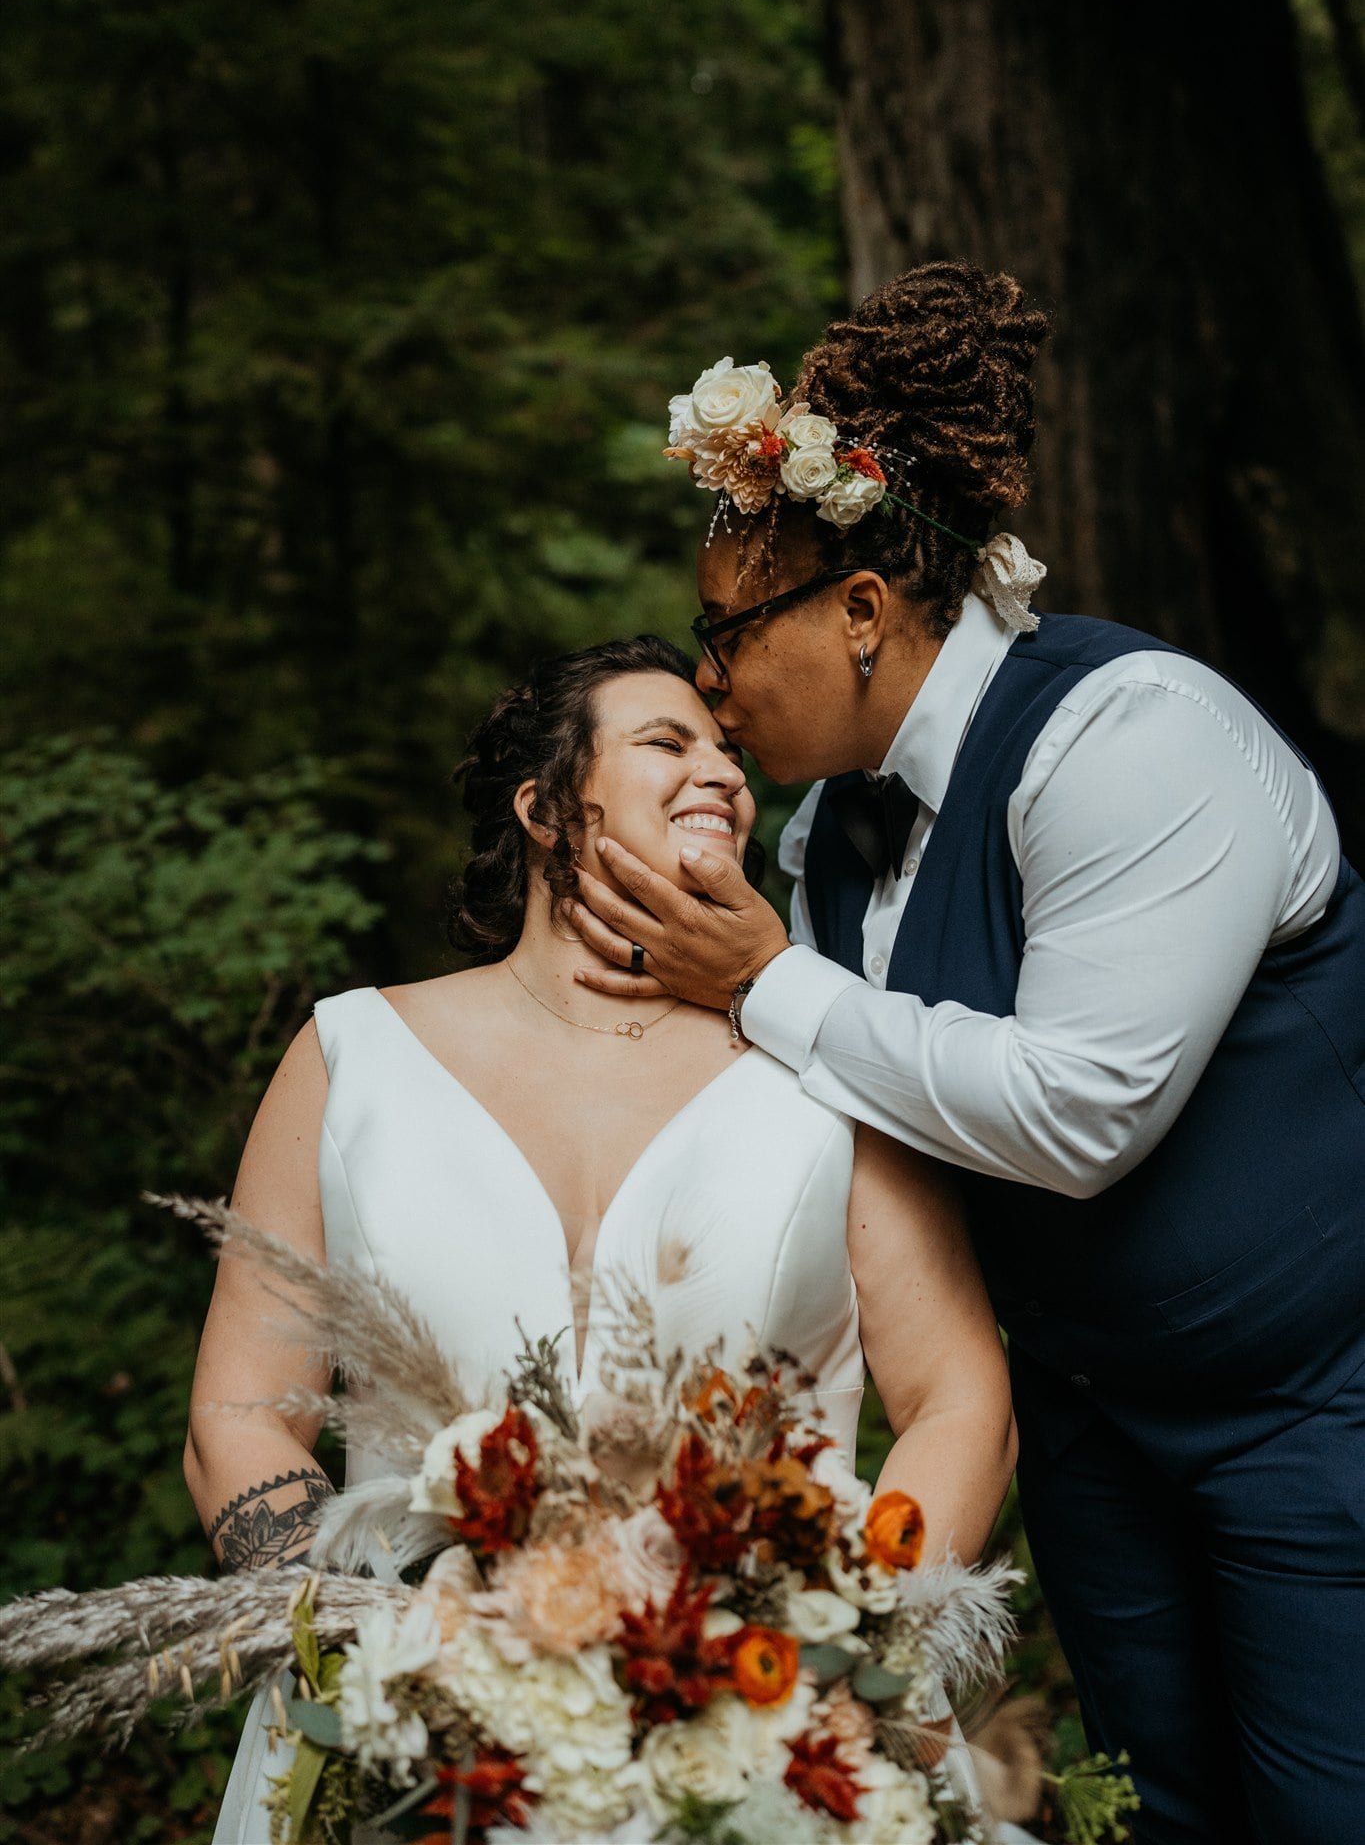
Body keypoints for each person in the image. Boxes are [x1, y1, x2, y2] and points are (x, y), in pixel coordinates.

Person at [569, 264, 1365, 1845]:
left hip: (1315, 1407)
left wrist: (766, 980)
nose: (710, 682)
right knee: (1169, 1802)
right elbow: (841, 1109)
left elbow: (1082, 1113)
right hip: (1088, 1423)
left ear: (864, 612)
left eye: (728, 636)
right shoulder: (830, 838)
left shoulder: (1131, 737)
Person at [185, 635, 1017, 1841]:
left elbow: (957, 1397)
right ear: (542, 808)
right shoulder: (348, 1058)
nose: (725, 773)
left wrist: (853, 1637)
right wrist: (377, 1649)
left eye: (731, 754)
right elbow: (240, 1414)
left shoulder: (829, 1063)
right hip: (414, 1723)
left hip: (777, 1717)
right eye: (668, 742)